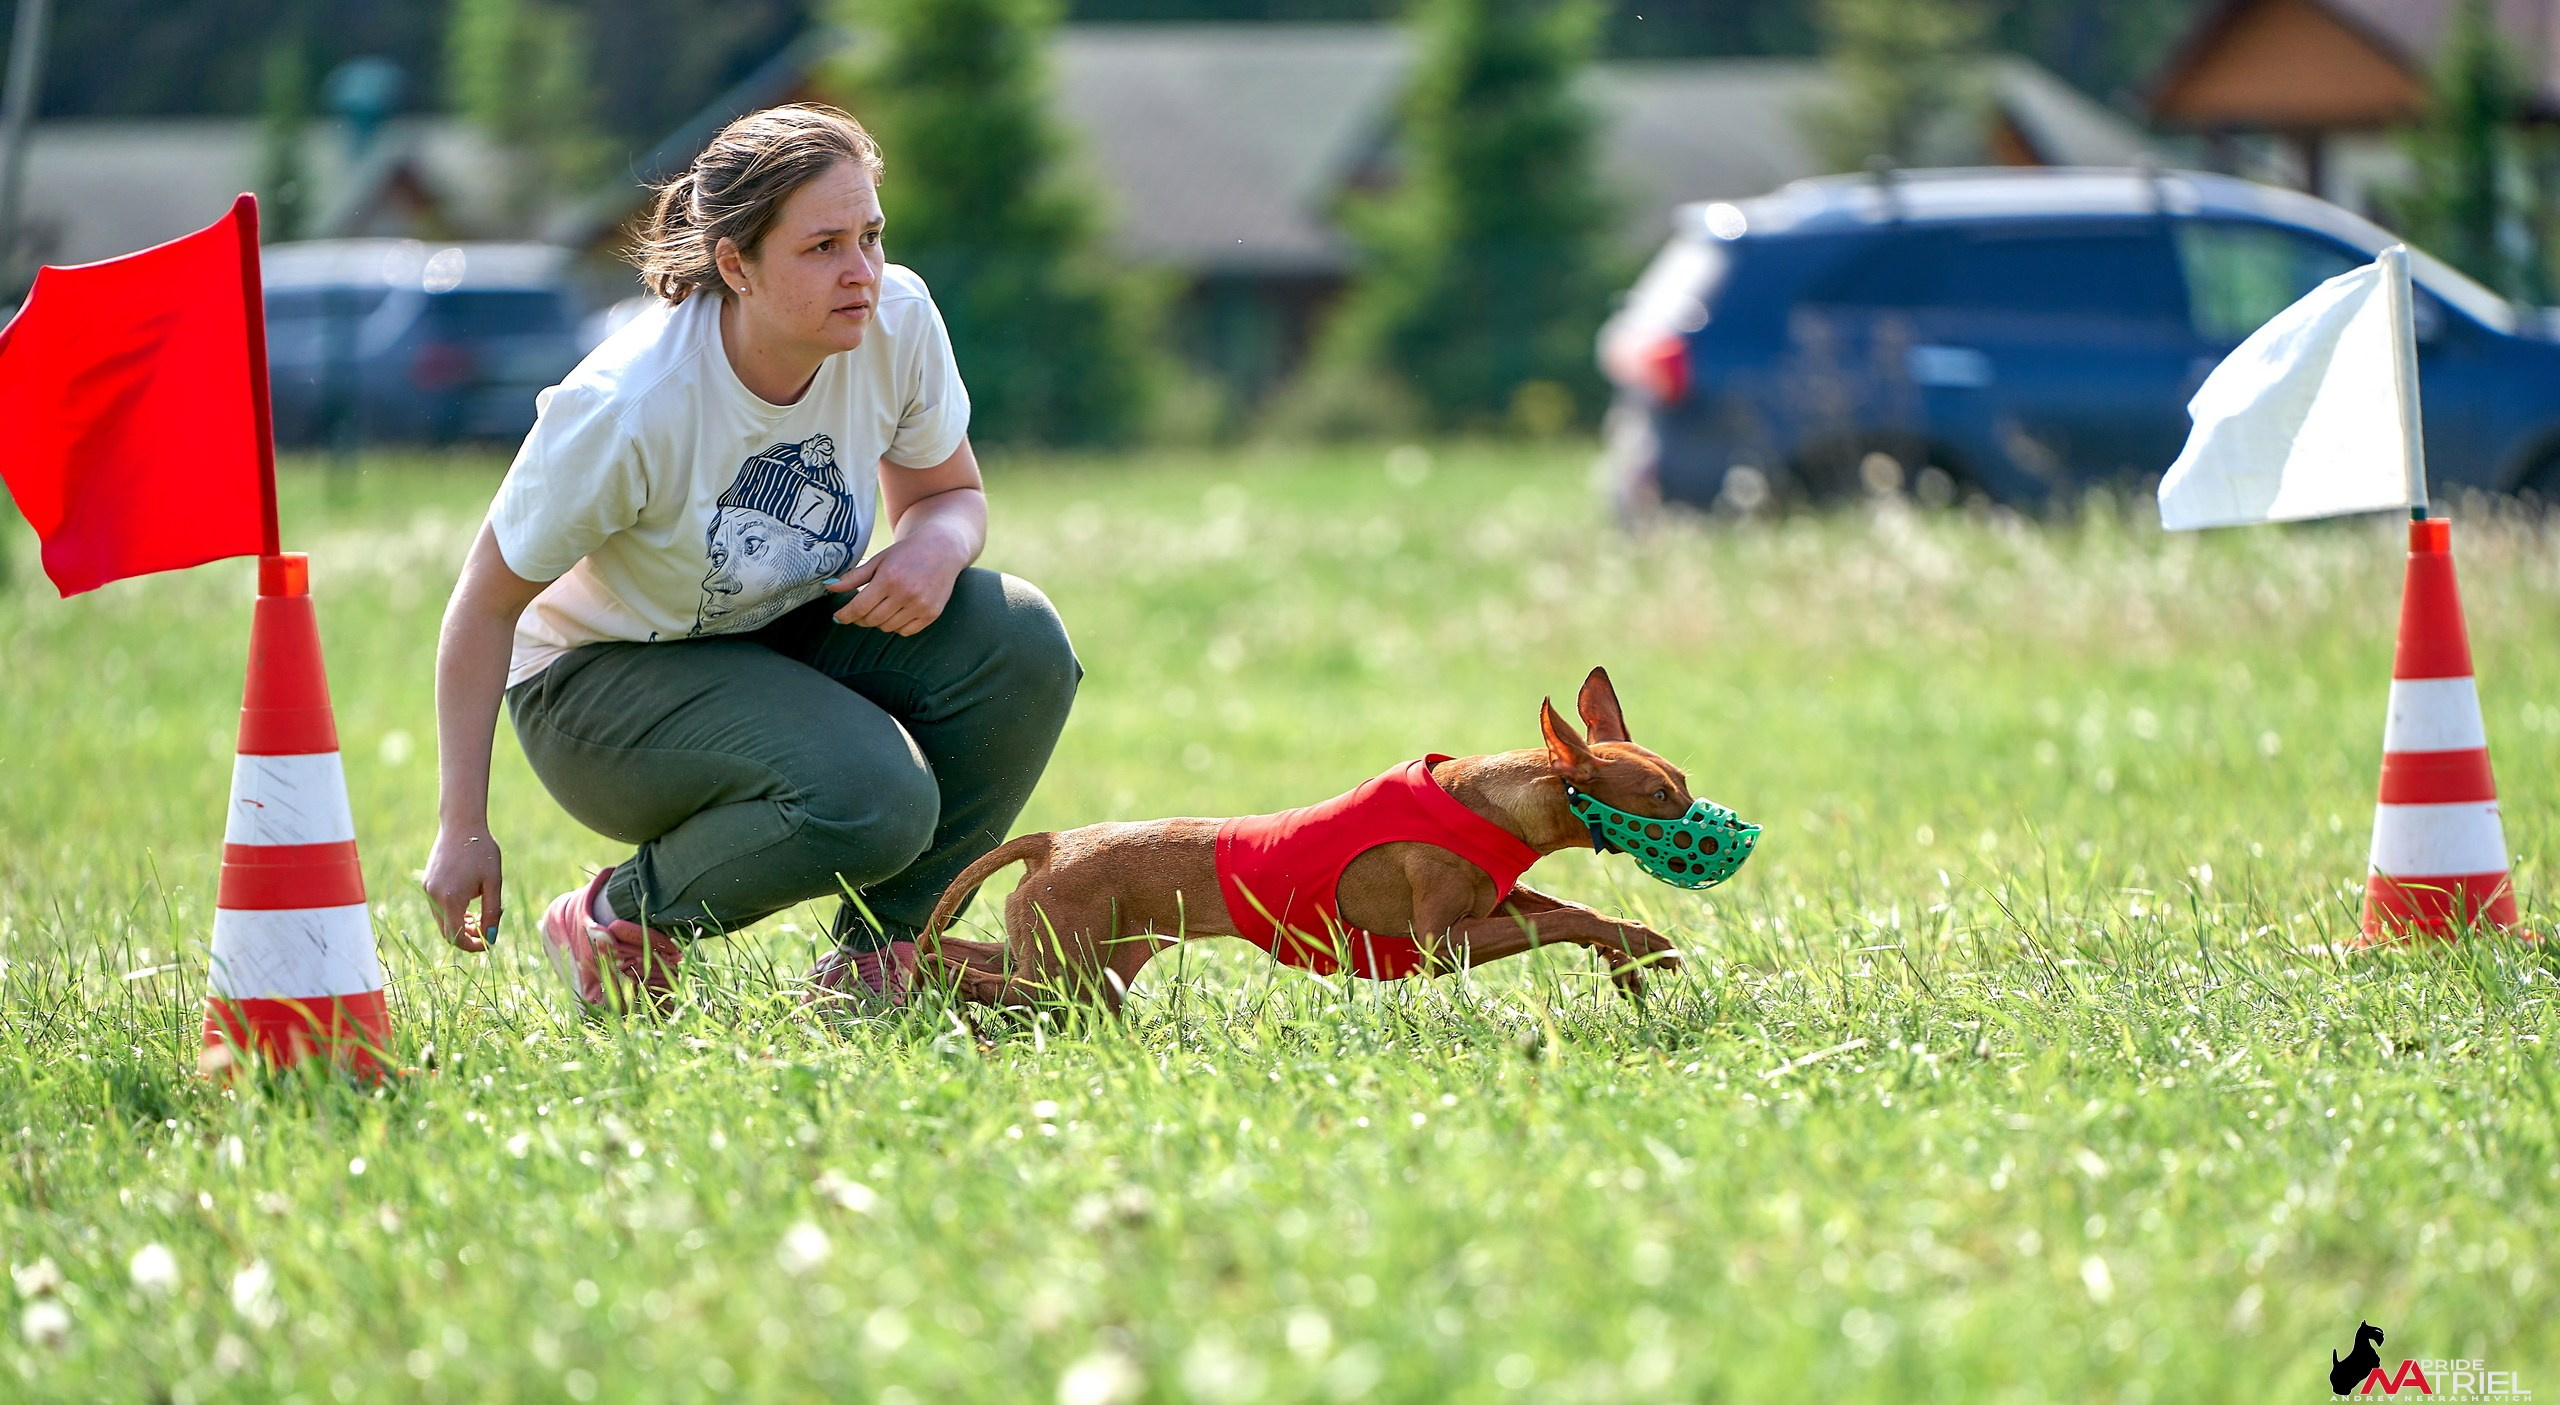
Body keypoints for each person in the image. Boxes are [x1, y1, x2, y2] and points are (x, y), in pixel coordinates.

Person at [422, 104, 1079, 1011]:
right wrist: (463, 828)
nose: (862, 273)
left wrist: (933, 546)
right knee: (875, 796)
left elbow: (947, 495)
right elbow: (483, 605)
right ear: (736, 264)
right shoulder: (629, 405)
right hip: (597, 686)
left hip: (780, 630)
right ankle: (615, 919)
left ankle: (878, 964)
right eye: (822, 248)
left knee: (1022, 643)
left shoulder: (896, 318)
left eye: (872, 236)